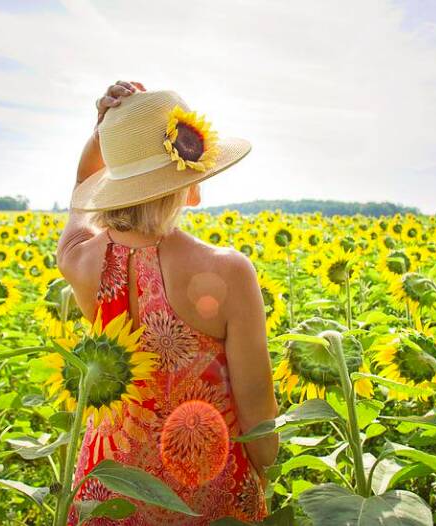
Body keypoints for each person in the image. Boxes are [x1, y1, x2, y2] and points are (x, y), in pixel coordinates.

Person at [56, 81, 279, 524]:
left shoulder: (80, 259)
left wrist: (103, 134)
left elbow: (80, 196)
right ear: (190, 182)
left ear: (113, 182)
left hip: (106, 489)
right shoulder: (229, 272)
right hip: (206, 492)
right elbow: (258, 415)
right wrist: (266, 483)